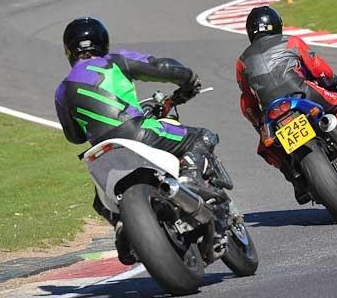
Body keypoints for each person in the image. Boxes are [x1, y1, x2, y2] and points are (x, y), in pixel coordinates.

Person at [55, 16, 218, 263]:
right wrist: (188, 79)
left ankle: (121, 223)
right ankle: (191, 179)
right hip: (137, 131)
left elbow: (75, 137)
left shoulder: (62, 90)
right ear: (102, 43)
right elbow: (161, 68)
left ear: (69, 50)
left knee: (101, 202)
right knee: (201, 136)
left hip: (100, 153)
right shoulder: (114, 62)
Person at [236, 6, 337, 203]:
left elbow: (247, 102)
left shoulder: (241, 62)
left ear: (250, 31)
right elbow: (319, 68)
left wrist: (258, 122)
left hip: (273, 111)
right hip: (302, 94)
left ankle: (295, 177)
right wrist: (330, 80)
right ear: (277, 25)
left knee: (266, 147)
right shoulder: (291, 42)